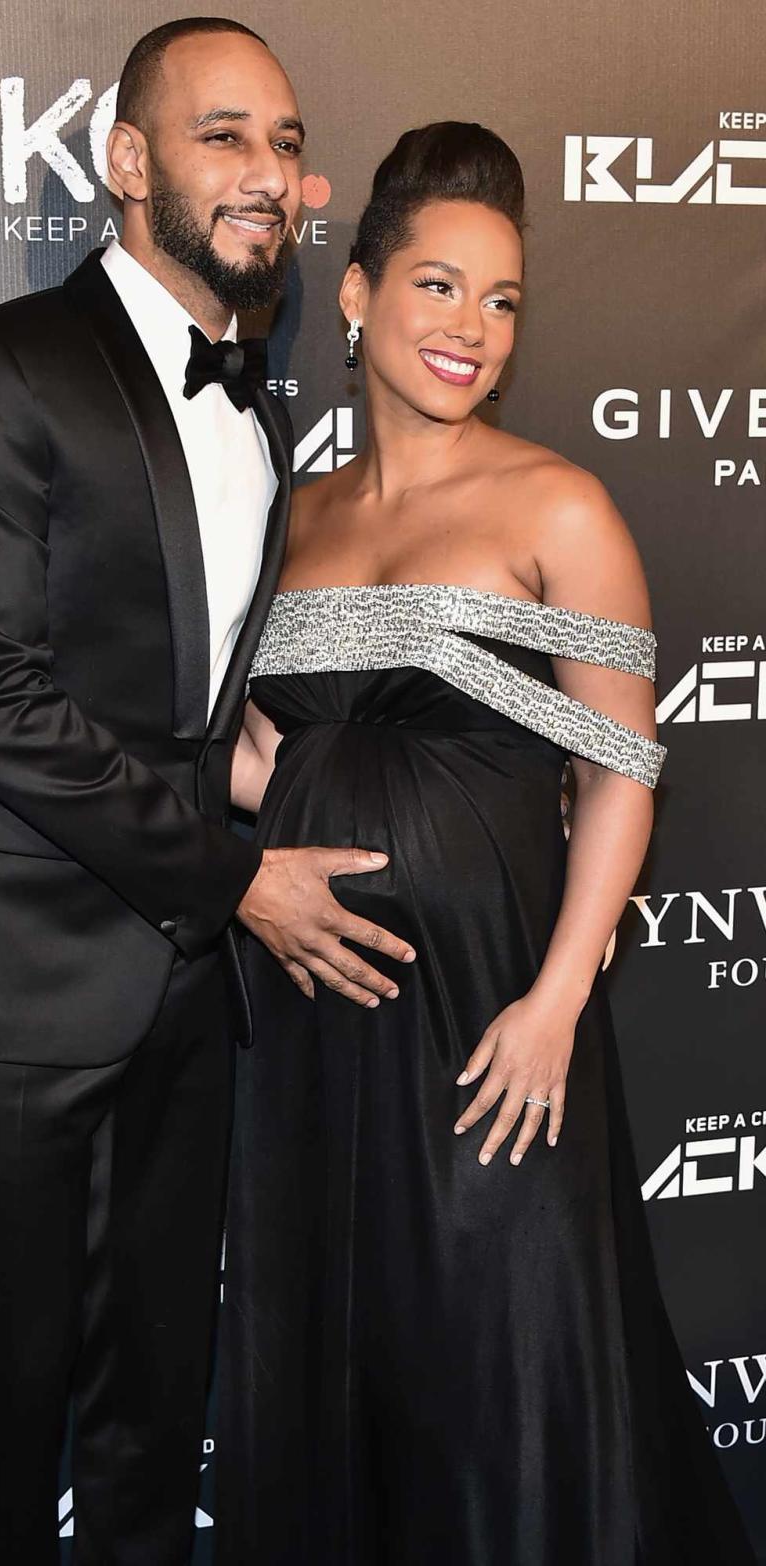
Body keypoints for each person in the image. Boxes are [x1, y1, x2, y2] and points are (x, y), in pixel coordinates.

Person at [0, 19, 414, 1566]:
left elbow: (203, 711)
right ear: (126, 162)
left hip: (179, 992)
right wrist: (239, 877)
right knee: (6, 1409)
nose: (269, 174)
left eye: (288, 143)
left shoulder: (263, 411)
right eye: (223, 136)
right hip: (5, 986)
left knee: (156, 1407)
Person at [216, 122, 757, 1564]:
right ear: (356, 294)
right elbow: (279, 759)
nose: (474, 329)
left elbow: (624, 769)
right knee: (344, 1364)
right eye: (440, 287)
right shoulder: (296, 518)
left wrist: (559, 1005)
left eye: (503, 300)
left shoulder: (556, 504)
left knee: (506, 1369)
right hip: (315, 1023)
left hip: (491, 1037)